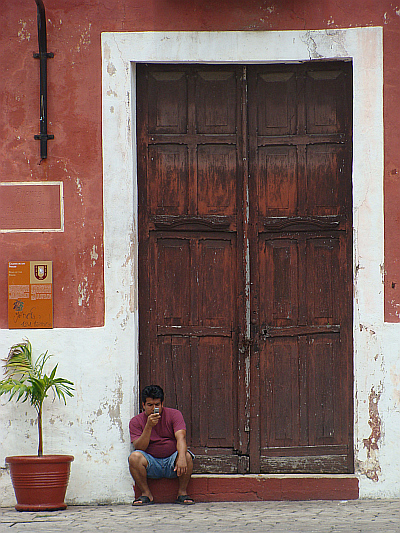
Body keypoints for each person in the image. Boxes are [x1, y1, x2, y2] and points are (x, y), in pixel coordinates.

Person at [128, 384, 195, 506]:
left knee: (187, 456)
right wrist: (148, 426)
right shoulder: (136, 421)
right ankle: (146, 494)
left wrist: (181, 457)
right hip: (151, 462)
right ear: (143, 405)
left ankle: (182, 493)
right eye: (150, 405)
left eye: (157, 405)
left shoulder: (174, 415)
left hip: (171, 462)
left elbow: (181, 438)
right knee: (134, 457)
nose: (154, 408)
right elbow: (139, 447)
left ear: (162, 404)